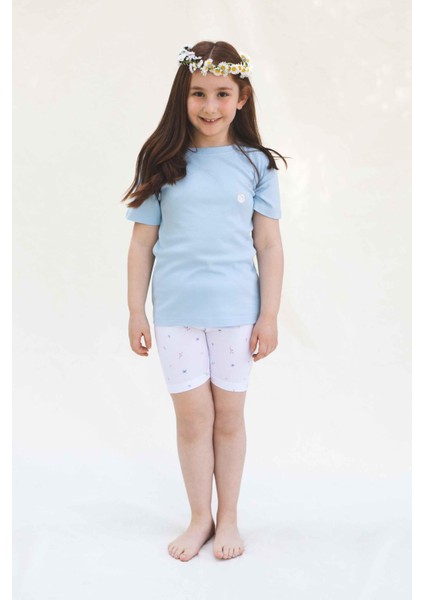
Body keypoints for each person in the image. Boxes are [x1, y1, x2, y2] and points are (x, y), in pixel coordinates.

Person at [121, 41, 286, 562]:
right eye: (198, 93)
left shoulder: (256, 165)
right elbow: (142, 244)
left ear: (242, 97)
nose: (210, 106)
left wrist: (269, 315)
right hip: (176, 318)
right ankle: (200, 518)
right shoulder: (161, 161)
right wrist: (135, 310)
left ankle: (229, 516)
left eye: (222, 93)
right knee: (193, 421)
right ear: (183, 96)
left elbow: (269, 245)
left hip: (237, 316)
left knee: (229, 419)